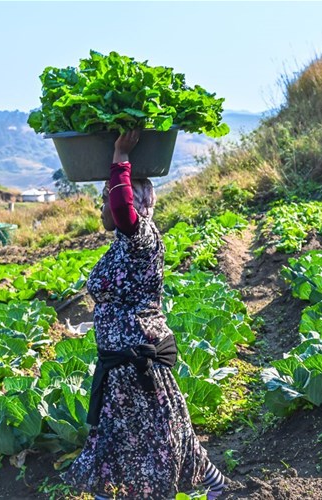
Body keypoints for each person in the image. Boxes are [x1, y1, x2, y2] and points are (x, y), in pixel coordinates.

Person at [63, 130, 226, 499]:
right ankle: (214, 484)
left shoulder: (142, 237)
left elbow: (121, 207)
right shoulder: (124, 243)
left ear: (133, 202)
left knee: (160, 433)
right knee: (132, 430)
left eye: (104, 199)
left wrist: (121, 154)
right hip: (120, 359)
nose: (102, 208)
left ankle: (201, 485)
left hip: (138, 358)